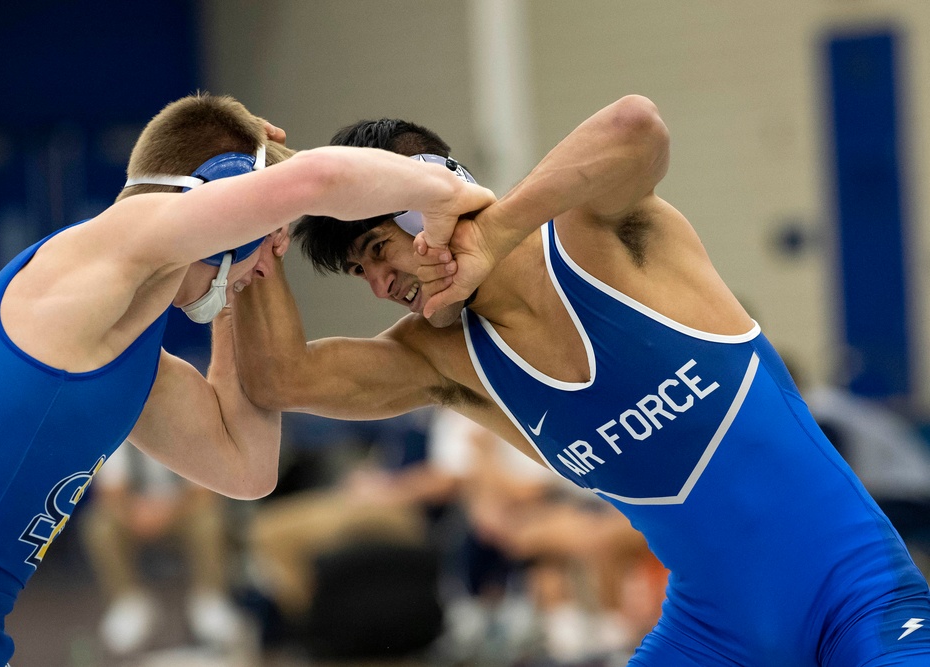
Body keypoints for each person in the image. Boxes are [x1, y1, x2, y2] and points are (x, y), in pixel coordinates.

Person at [235, 95, 930, 665]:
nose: (382, 285)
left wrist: (492, 230)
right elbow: (277, 376)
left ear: (429, 205)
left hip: (858, 597)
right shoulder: (443, 359)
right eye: (363, 273)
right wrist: (246, 215)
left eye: (380, 250)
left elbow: (637, 124)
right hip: (714, 636)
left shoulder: (597, 233)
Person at [0, 92, 495, 666]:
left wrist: (238, 286)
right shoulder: (96, 252)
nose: (267, 261)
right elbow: (320, 176)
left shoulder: (113, 347)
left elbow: (245, 469)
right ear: (224, 198)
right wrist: (456, 197)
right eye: (267, 236)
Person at [80, 441, 243, 656]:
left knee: (210, 520)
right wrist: (136, 514)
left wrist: (165, 511)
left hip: (182, 510)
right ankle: (127, 602)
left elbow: (203, 490)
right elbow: (110, 492)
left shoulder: (189, 432)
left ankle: (210, 599)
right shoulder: (121, 437)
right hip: (134, 514)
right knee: (99, 525)